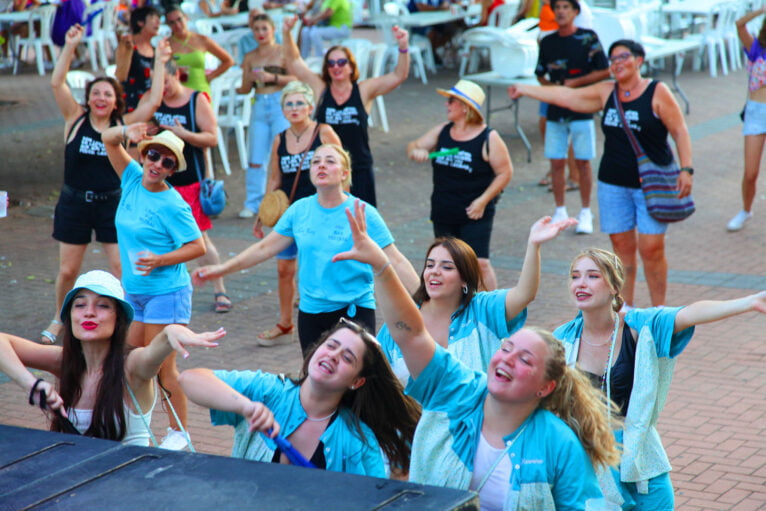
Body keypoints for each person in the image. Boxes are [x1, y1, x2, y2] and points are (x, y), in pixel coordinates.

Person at [333, 201, 620, 509]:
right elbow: (410, 335)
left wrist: (533, 245)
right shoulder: (458, 391)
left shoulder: (558, 442)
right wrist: (381, 266)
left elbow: (524, 294)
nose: (507, 358)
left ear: (546, 387)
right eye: (506, 348)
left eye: (525, 360)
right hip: (404, 439)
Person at [554, 248, 766, 509]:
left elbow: (689, 313)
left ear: (613, 285)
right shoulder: (562, 339)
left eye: (593, 276)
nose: (581, 284)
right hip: (589, 463)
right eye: (575, 276)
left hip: (641, 461)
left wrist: (749, 302)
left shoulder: (639, 326)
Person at [509, 39, 693, 308]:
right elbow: (567, 97)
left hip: (651, 184)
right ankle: (625, 311)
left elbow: (680, 131)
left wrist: (686, 169)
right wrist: (525, 89)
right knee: (621, 249)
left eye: (623, 57)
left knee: (651, 249)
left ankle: (658, 313)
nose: (616, 63)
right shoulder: (607, 92)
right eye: (613, 59)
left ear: (639, 60)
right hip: (613, 184)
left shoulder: (657, 91)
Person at [192, 143, 419, 354]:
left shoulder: (362, 212)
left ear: (344, 174)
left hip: (354, 310)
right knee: (315, 383)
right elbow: (263, 248)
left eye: (330, 161)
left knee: (356, 385)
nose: (321, 165)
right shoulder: (299, 210)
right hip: (310, 313)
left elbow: (396, 261)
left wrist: (428, 301)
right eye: (315, 161)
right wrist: (222, 269)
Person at [41, 25, 166, 346]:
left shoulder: (122, 125)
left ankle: (122, 321)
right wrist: (70, 45)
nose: (100, 98)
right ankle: (61, 318)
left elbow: (153, 100)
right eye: (95, 92)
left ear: (116, 102)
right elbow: (57, 82)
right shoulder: (75, 118)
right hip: (74, 203)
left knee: (120, 268)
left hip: (112, 203)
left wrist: (162, 61)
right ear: (89, 98)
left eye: (107, 94)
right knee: (68, 271)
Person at [0, 270, 223, 445]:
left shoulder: (132, 366)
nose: (89, 312)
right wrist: (31, 383)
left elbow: (152, 354)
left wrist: (169, 332)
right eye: (80, 305)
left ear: (119, 319)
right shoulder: (63, 360)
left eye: (103, 305)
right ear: (70, 316)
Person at [179, 316, 420, 476]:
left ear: (357, 382)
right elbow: (190, 379)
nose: (333, 355)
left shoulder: (357, 440)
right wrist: (246, 407)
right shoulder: (269, 391)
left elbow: (374, 499)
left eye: (348, 358)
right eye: (331, 345)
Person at [102, 123, 207, 450]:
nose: (157, 164)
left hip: (167, 293)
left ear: (173, 170)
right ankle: (134, 426)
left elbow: (198, 246)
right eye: (153, 154)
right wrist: (126, 128)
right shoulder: (132, 177)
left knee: (161, 365)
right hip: (134, 293)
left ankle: (179, 432)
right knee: (127, 358)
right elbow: (107, 139)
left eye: (167, 162)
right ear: (143, 153)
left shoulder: (173, 205)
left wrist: (159, 260)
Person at [377, 215, 576, 385]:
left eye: (446, 267)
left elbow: (525, 294)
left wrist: (534, 245)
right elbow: (377, 379)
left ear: (464, 279)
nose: (434, 272)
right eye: (430, 265)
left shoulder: (482, 309)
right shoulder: (401, 321)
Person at [283, 19, 411, 207]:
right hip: (328, 172)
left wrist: (403, 46)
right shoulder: (321, 89)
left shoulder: (363, 90)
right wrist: (287, 32)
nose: (336, 67)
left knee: (362, 224)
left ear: (351, 66)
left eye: (341, 62)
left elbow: (398, 75)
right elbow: (294, 61)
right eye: (331, 63)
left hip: (358, 169)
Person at [252, 80, 342, 346]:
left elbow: (343, 168)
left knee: (321, 266)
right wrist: (263, 212)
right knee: (283, 269)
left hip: (322, 210)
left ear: (310, 107)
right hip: (291, 215)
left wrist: (342, 204)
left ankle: (333, 321)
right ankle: (285, 323)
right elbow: (275, 178)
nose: (294, 108)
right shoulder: (280, 138)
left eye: (299, 103)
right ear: (282, 110)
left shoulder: (323, 132)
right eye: (289, 104)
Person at [406, 80, 512, 290]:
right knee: (448, 262)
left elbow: (505, 172)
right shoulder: (443, 131)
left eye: (451, 101)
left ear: (465, 107)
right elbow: (413, 146)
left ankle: (495, 311)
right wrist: (416, 150)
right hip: (444, 209)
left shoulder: (488, 137)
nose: (447, 105)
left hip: (475, 212)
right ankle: (453, 308)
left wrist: (482, 201)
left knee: (480, 263)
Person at [156, 58, 232, 314]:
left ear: (177, 74)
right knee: (162, 239)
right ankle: (168, 289)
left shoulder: (196, 99)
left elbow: (212, 137)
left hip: (189, 182)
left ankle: (219, 288)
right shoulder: (153, 100)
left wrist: (184, 135)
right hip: (160, 183)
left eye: (165, 82)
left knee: (198, 238)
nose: (162, 88)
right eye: (157, 84)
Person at [534, 0, 609, 234]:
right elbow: (539, 73)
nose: (561, 12)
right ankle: (560, 209)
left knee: (583, 161)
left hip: (582, 110)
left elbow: (604, 70)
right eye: (557, 8)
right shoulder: (547, 41)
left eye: (566, 7)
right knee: (556, 160)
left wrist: (576, 84)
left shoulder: (588, 38)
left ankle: (586, 210)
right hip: (556, 111)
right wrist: (553, 91)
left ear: (575, 12)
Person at [236, 12, 297, 220]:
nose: (261, 33)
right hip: (259, 104)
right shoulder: (250, 56)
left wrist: (273, 77)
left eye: (264, 29)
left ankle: (284, 198)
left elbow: (296, 78)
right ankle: (253, 201)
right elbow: (244, 88)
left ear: (273, 30)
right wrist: (242, 83)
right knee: (255, 156)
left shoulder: (283, 52)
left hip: (279, 102)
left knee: (282, 152)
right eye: (256, 29)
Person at [728, 6, 766, 232]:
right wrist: (762, 10)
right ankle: (746, 209)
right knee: (750, 172)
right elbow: (739, 25)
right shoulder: (756, 49)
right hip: (756, 112)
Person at [166, 6, 234, 98]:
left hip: (200, 89)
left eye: (179, 20)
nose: (177, 25)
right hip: (178, 91)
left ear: (186, 18)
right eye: (172, 22)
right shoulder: (167, 45)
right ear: (168, 24)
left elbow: (228, 61)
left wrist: (210, 77)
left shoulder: (201, 40)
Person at [115, 6, 161, 113]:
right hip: (131, 106)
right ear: (140, 22)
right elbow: (120, 76)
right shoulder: (127, 45)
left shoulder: (155, 50)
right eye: (153, 18)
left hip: (151, 105)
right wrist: (128, 51)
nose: (158, 22)